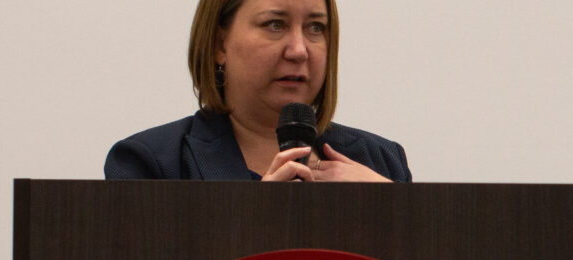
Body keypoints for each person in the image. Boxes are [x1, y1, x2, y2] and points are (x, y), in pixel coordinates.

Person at [104, 0, 411, 182]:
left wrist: (391, 210)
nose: (299, 50)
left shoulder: (382, 161)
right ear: (218, 44)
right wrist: (260, 216)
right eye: (275, 24)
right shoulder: (154, 164)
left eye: (315, 27)